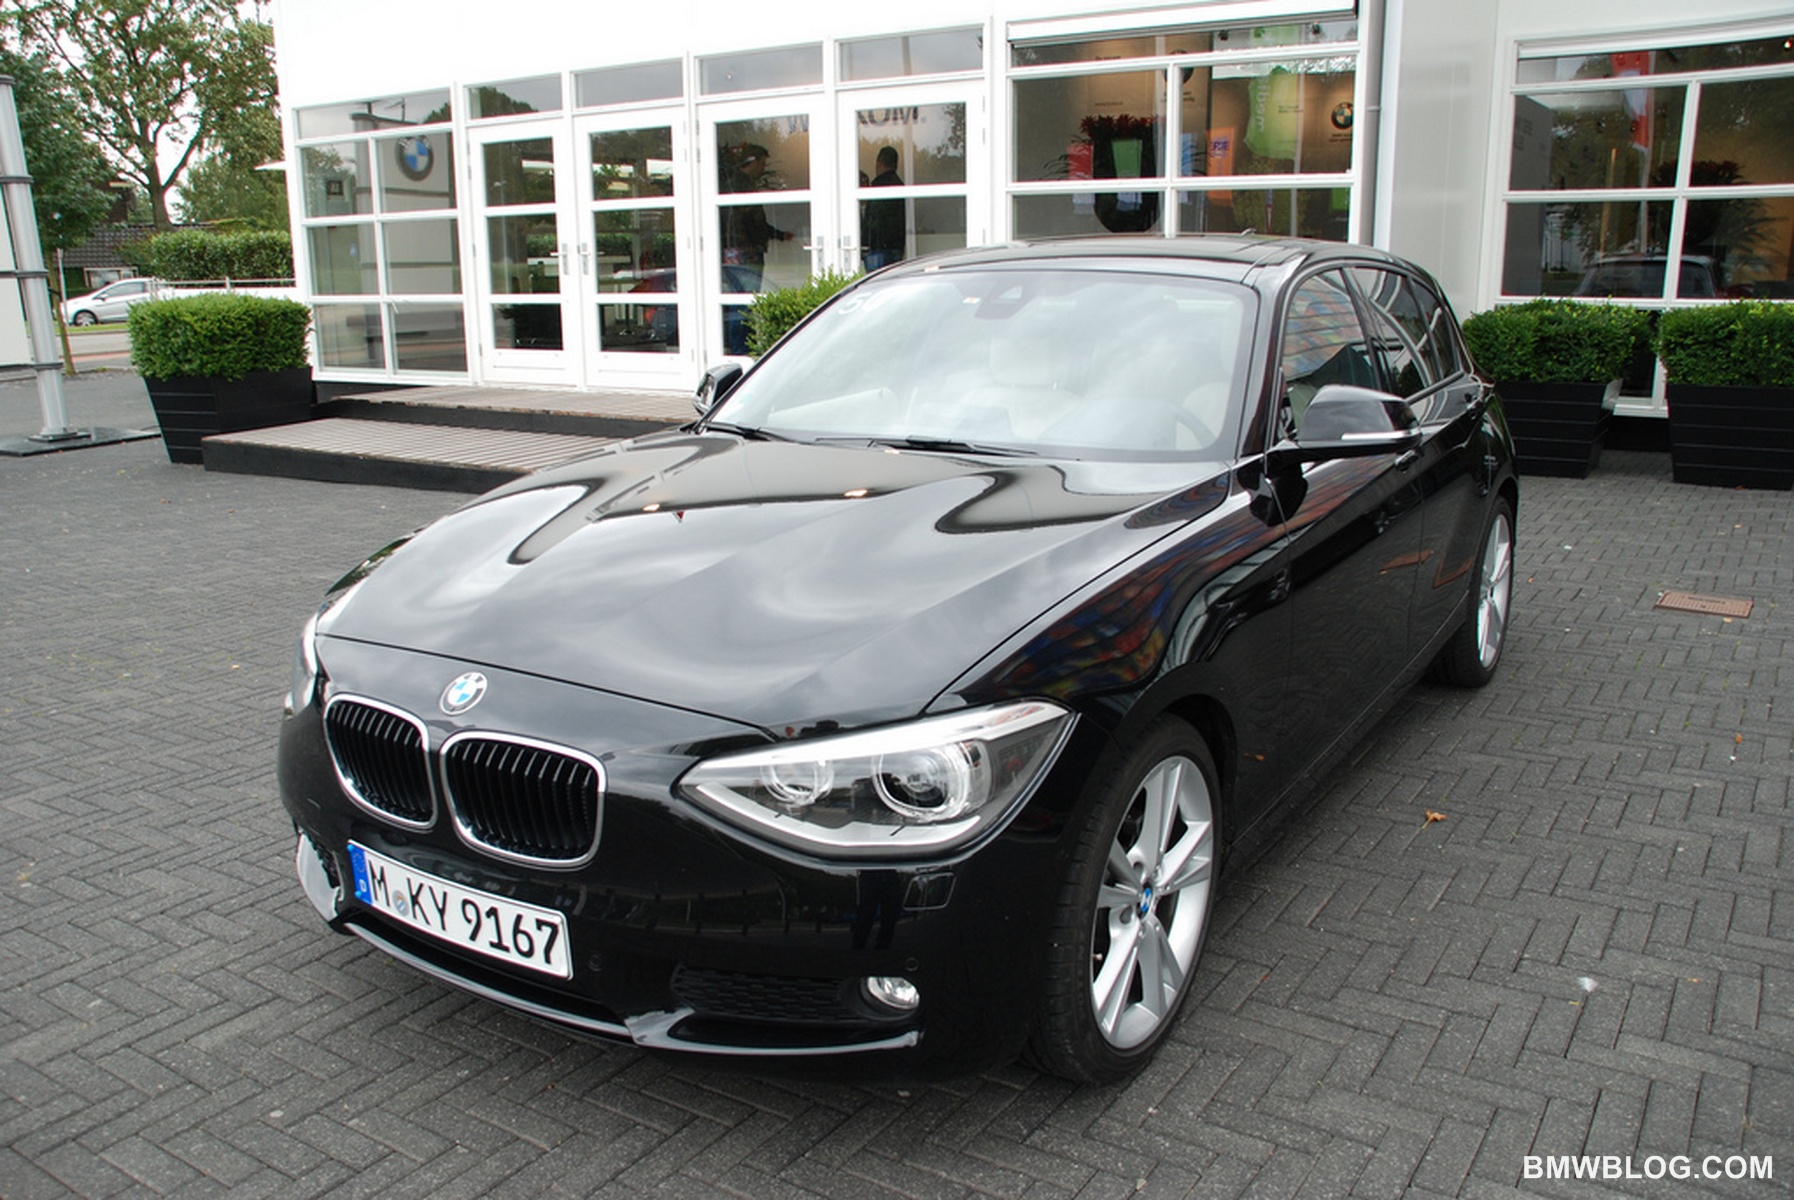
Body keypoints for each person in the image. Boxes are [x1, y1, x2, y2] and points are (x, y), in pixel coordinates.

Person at [719, 143, 789, 275]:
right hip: (744, 251)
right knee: (746, 285)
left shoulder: (741, 183)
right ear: (753, 162)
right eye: (762, 164)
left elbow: (754, 219)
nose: (763, 169)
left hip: (743, 249)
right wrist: (748, 244)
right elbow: (742, 219)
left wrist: (779, 234)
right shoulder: (739, 186)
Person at [861, 145, 905, 271]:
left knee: (876, 280)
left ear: (879, 164)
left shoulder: (878, 186)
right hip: (896, 246)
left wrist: (864, 244)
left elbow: (873, 221)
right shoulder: (900, 186)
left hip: (878, 247)